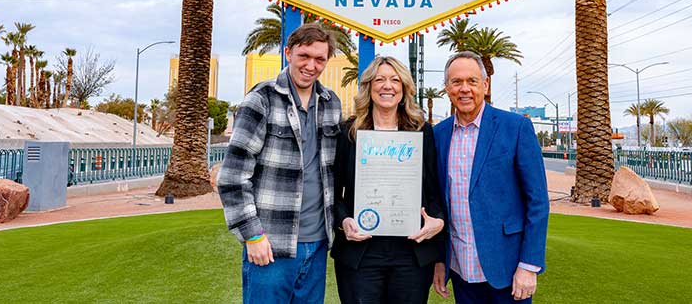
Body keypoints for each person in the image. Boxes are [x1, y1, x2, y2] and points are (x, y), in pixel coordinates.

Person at [217, 23, 343, 304]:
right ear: (288, 52)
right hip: (271, 243)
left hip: (318, 242)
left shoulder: (331, 103)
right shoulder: (260, 100)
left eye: (320, 59)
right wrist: (253, 236)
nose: (311, 66)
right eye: (304, 56)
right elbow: (232, 178)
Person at [432, 51, 549, 303]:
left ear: (485, 85)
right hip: (461, 270)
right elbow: (440, 203)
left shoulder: (516, 128)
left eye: (472, 81)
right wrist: (440, 261)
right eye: (456, 82)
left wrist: (529, 265)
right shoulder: (438, 135)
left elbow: (537, 202)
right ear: (447, 88)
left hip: (508, 271)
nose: (464, 89)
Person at [332, 56, 446, 304]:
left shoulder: (421, 131)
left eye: (395, 80)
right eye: (380, 79)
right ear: (369, 86)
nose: (387, 86)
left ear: (404, 88)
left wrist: (437, 221)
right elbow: (332, 191)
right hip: (360, 254)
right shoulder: (348, 132)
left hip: (411, 255)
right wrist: (344, 222)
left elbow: (434, 191)